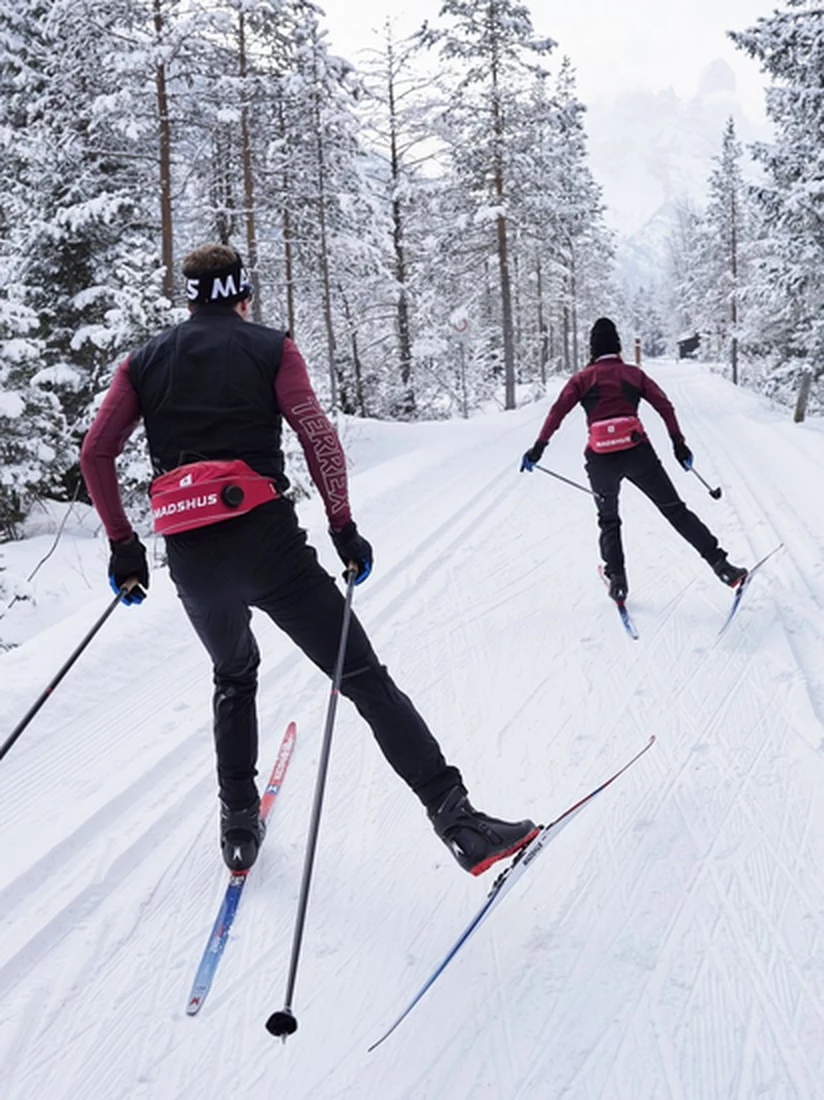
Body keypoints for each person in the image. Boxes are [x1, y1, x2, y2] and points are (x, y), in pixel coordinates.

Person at [80, 243, 537, 875]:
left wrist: (124, 546)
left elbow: (95, 453)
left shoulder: (143, 361)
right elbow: (317, 435)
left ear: (190, 297)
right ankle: (458, 821)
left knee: (233, 676)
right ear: (243, 295)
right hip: (267, 545)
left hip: (190, 553)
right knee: (363, 678)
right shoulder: (271, 347)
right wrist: (343, 528)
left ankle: (239, 826)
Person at [520, 317, 746, 602]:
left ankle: (617, 582)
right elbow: (665, 406)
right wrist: (678, 445)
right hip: (639, 454)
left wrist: (537, 449)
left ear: (592, 349)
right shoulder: (633, 374)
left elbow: (557, 413)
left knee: (609, 520)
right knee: (675, 510)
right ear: (618, 346)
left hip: (601, 459)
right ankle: (722, 566)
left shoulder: (581, 379)